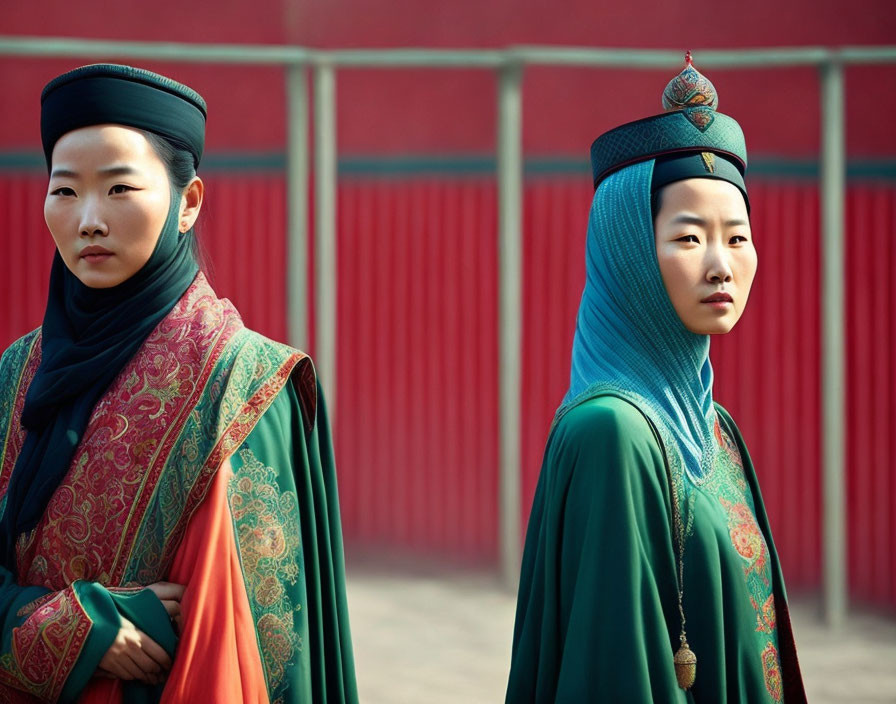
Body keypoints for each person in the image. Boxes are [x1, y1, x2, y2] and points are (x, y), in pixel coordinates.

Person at [0, 64, 357, 703]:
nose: (87, 220)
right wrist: (77, 630)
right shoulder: (14, 374)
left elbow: (228, 657)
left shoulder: (234, 388)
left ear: (187, 202)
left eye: (119, 189)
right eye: (64, 191)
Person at [505, 55, 807, 703]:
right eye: (691, 238)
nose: (723, 266)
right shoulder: (611, 434)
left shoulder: (713, 428)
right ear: (631, 252)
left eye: (738, 236)